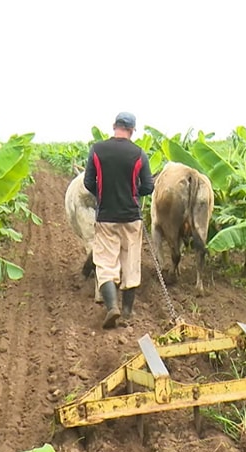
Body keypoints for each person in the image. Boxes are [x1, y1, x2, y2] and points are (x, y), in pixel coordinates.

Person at [83, 112, 155, 329]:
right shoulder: (139, 154)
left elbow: (88, 182)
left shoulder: (97, 150)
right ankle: (127, 311)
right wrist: (133, 193)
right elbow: (148, 186)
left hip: (106, 217)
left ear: (114, 126)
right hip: (131, 217)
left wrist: (103, 195)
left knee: (105, 264)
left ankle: (111, 306)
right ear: (132, 130)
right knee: (130, 263)